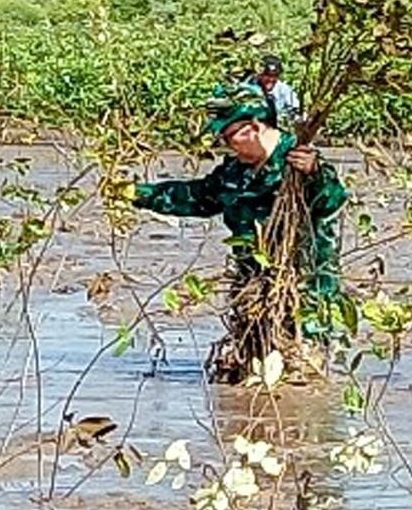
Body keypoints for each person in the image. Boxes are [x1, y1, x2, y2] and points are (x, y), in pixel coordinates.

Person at [125, 81, 351, 327]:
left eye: (229, 136)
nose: (226, 144)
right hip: (254, 290)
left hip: (305, 295)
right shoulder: (234, 171)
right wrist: (138, 193)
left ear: (254, 127)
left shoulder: (299, 162)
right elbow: (196, 197)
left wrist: (314, 172)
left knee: (301, 361)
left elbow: (332, 201)